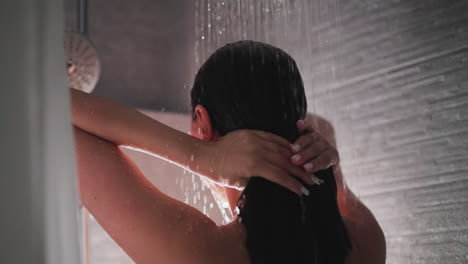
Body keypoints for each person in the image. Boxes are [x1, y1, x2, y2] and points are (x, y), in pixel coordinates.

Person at [72, 40, 386, 264]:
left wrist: (199, 154)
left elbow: (56, 111)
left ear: (201, 122)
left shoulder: (197, 251)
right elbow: (321, 127)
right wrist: (318, 156)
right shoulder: (366, 241)